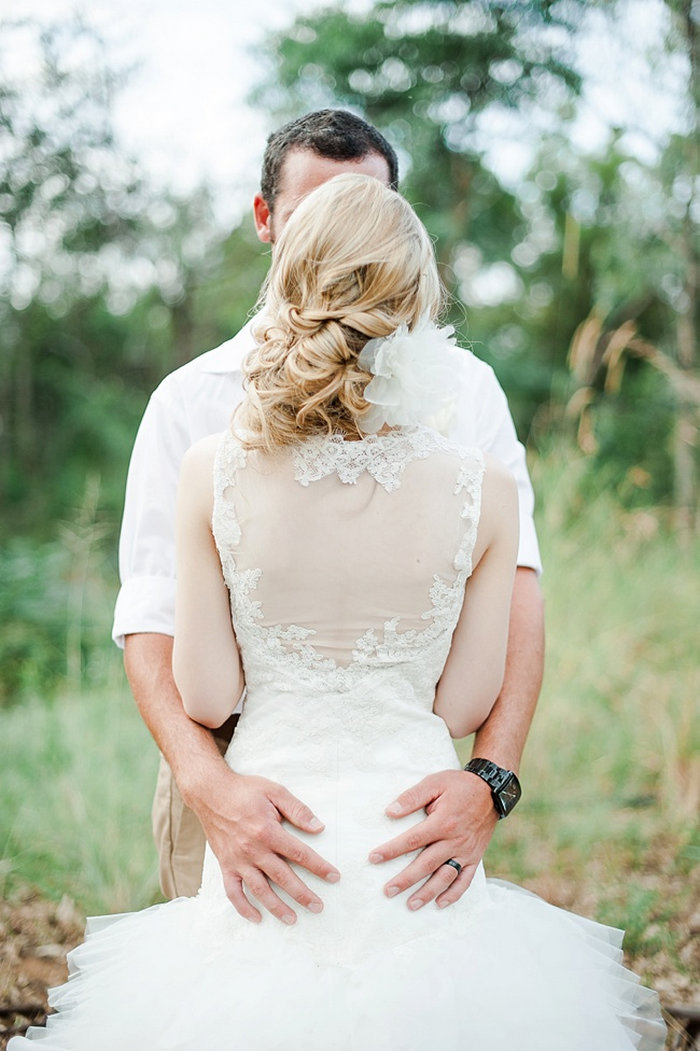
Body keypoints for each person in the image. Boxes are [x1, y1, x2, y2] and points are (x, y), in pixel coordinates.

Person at [12, 172, 664, 1050]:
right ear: (417, 300)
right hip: (414, 853)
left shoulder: (216, 470)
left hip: (274, 854)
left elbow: (204, 691)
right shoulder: (486, 488)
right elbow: (464, 703)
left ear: (287, 276)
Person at [113, 109, 546, 914]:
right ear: (267, 221)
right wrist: (209, 786)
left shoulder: (469, 392)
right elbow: (149, 613)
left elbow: (523, 586)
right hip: (222, 772)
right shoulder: (188, 403)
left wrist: (492, 779)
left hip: (415, 805)